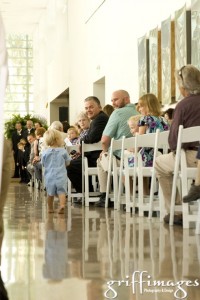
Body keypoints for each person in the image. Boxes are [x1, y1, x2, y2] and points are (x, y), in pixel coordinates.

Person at [155, 65, 200, 224]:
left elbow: (174, 141)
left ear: (182, 85)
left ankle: (175, 211)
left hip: (191, 157)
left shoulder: (183, 105)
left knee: (159, 163)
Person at [95, 89, 139, 207]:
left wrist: (104, 152)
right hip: (138, 158)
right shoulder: (138, 112)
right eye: (112, 100)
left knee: (100, 161)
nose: (113, 103)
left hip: (120, 159)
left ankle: (105, 196)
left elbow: (104, 140)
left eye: (116, 100)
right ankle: (134, 194)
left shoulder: (117, 113)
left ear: (126, 99)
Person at [67, 96, 109, 194]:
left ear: (99, 106)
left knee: (70, 165)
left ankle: (86, 193)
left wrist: (81, 140)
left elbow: (92, 137)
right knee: (72, 163)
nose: (88, 110)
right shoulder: (97, 119)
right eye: (86, 108)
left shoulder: (100, 119)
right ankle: (87, 192)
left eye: (91, 107)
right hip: (92, 155)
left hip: (96, 158)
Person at [41, 129, 71, 213]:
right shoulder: (63, 151)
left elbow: (43, 163)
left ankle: (50, 208)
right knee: (61, 191)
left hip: (49, 175)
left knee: (50, 193)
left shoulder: (45, 152)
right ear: (58, 139)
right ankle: (62, 205)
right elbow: (68, 163)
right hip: (61, 175)